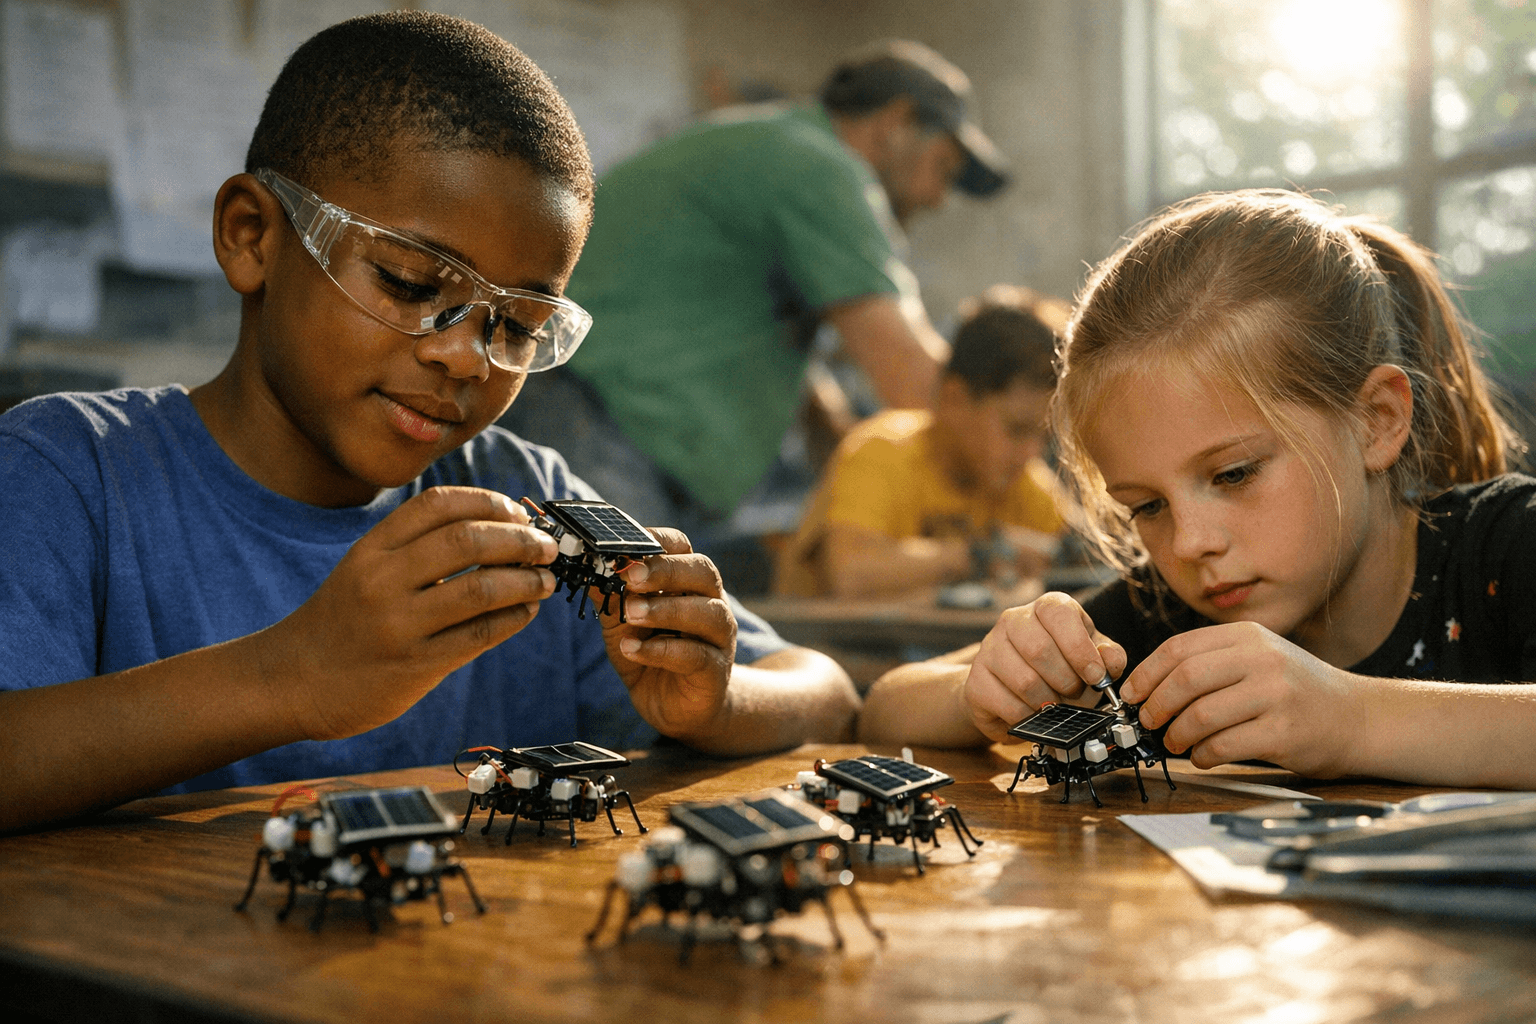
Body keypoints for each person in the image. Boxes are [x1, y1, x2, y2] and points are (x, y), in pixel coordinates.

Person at [0, 12, 859, 833]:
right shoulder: (74, 476)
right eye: (412, 283)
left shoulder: (525, 502)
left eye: (518, 326)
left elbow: (822, 689)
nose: (468, 357)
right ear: (251, 236)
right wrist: (292, 676)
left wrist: (718, 699)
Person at [859, 188, 1536, 790]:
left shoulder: (1504, 548)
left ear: (1376, 421)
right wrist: (982, 692)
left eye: (1234, 473)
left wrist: (1352, 719)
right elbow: (886, 704)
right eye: (1147, 506)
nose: (1189, 544)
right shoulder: (1164, 619)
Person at [500, 38, 1011, 558]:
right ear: (896, 124)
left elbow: (775, 344)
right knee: (620, 618)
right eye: (943, 169)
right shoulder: (824, 170)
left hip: (598, 419)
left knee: (644, 613)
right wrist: (1027, 480)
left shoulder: (775, 144)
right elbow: (916, 383)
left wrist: (844, 449)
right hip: (590, 422)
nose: (938, 199)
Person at [775, 284, 1066, 599]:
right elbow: (851, 574)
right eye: (1017, 429)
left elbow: (1086, 562)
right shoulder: (881, 452)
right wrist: (981, 555)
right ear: (954, 399)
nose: (1032, 452)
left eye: (1045, 436)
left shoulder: (1027, 484)